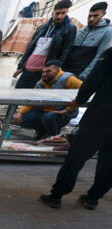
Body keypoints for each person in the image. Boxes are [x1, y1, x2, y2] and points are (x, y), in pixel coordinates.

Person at [40, 48, 112, 209]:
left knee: (78, 155)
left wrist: (79, 100)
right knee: (109, 162)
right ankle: (93, 197)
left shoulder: (110, 54)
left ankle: (57, 195)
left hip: (102, 115)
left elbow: (93, 79)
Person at [14, 0, 76, 88]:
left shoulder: (70, 28)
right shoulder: (42, 27)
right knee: (18, 92)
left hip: (44, 71)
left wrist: (57, 68)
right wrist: (20, 66)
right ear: (52, 13)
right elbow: (30, 48)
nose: (60, 16)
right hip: (28, 68)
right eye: (57, 13)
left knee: (34, 95)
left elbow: (66, 51)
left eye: (63, 13)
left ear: (67, 13)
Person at [11, 61, 82, 137]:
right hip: (42, 112)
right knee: (21, 118)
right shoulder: (40, 84)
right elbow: (31, 102)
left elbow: (83, 92)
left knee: (48, 117)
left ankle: (54, 137)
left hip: (61, 114)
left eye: (48, 71)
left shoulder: (69, 79)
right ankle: (42, 133)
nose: (44, 74)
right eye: (43, 72)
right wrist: (20, 112)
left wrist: (68, 109)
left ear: (57, 71)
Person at [62, 2, 112, 80]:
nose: (91, 19)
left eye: (95, 16)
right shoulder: (80, 31)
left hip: (79, 75)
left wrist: (84, 76)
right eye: (90, 16)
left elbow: (99, 56)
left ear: (103, 14)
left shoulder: (107, 31)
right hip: (63, 72)